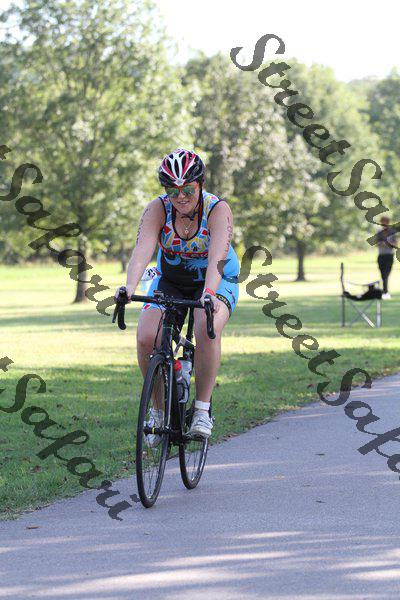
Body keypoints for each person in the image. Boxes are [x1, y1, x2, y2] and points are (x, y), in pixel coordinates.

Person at [117, 149, 239, 445]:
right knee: (147, 337)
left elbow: (217, 260)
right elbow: (142, 250)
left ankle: (202, 410)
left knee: (206, 327)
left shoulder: (217, 210)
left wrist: (208, 294)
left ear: (200, 184)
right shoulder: (157, 209)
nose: (180, 197)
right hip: (170, 278)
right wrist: (129, 287)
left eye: (188, 190)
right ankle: (159, 411)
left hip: (216, 279)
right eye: (173, 191)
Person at [377, 215, 396, 299]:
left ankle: (385, 291)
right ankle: (385, 291)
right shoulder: (379, 233)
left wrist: (387, 243)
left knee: (386, 274)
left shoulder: (392, 232)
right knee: (383, 275)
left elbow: (395, 244)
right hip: (381, 256)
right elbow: (377, 243)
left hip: (389, 256)